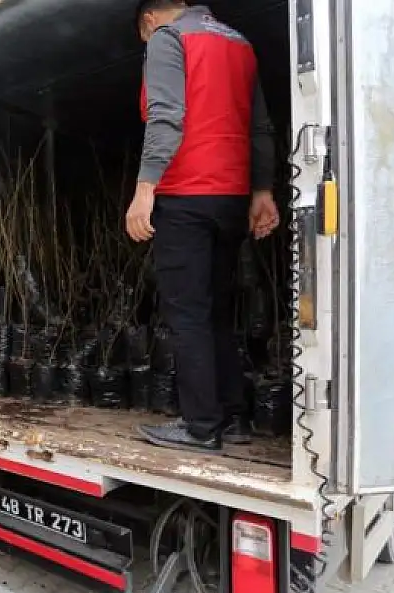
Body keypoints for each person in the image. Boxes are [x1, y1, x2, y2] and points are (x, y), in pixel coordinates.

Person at [126, 0, 280, 453]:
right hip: (231, 199)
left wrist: (145, 188)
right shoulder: (240, 43)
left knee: (187, 313)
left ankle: (199, 427)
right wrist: (262, 190)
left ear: (149, 19)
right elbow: (260, 128)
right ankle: (233, 418)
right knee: (215, 312)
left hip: (187, 196)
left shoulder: (167, 38)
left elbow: (166, 115)